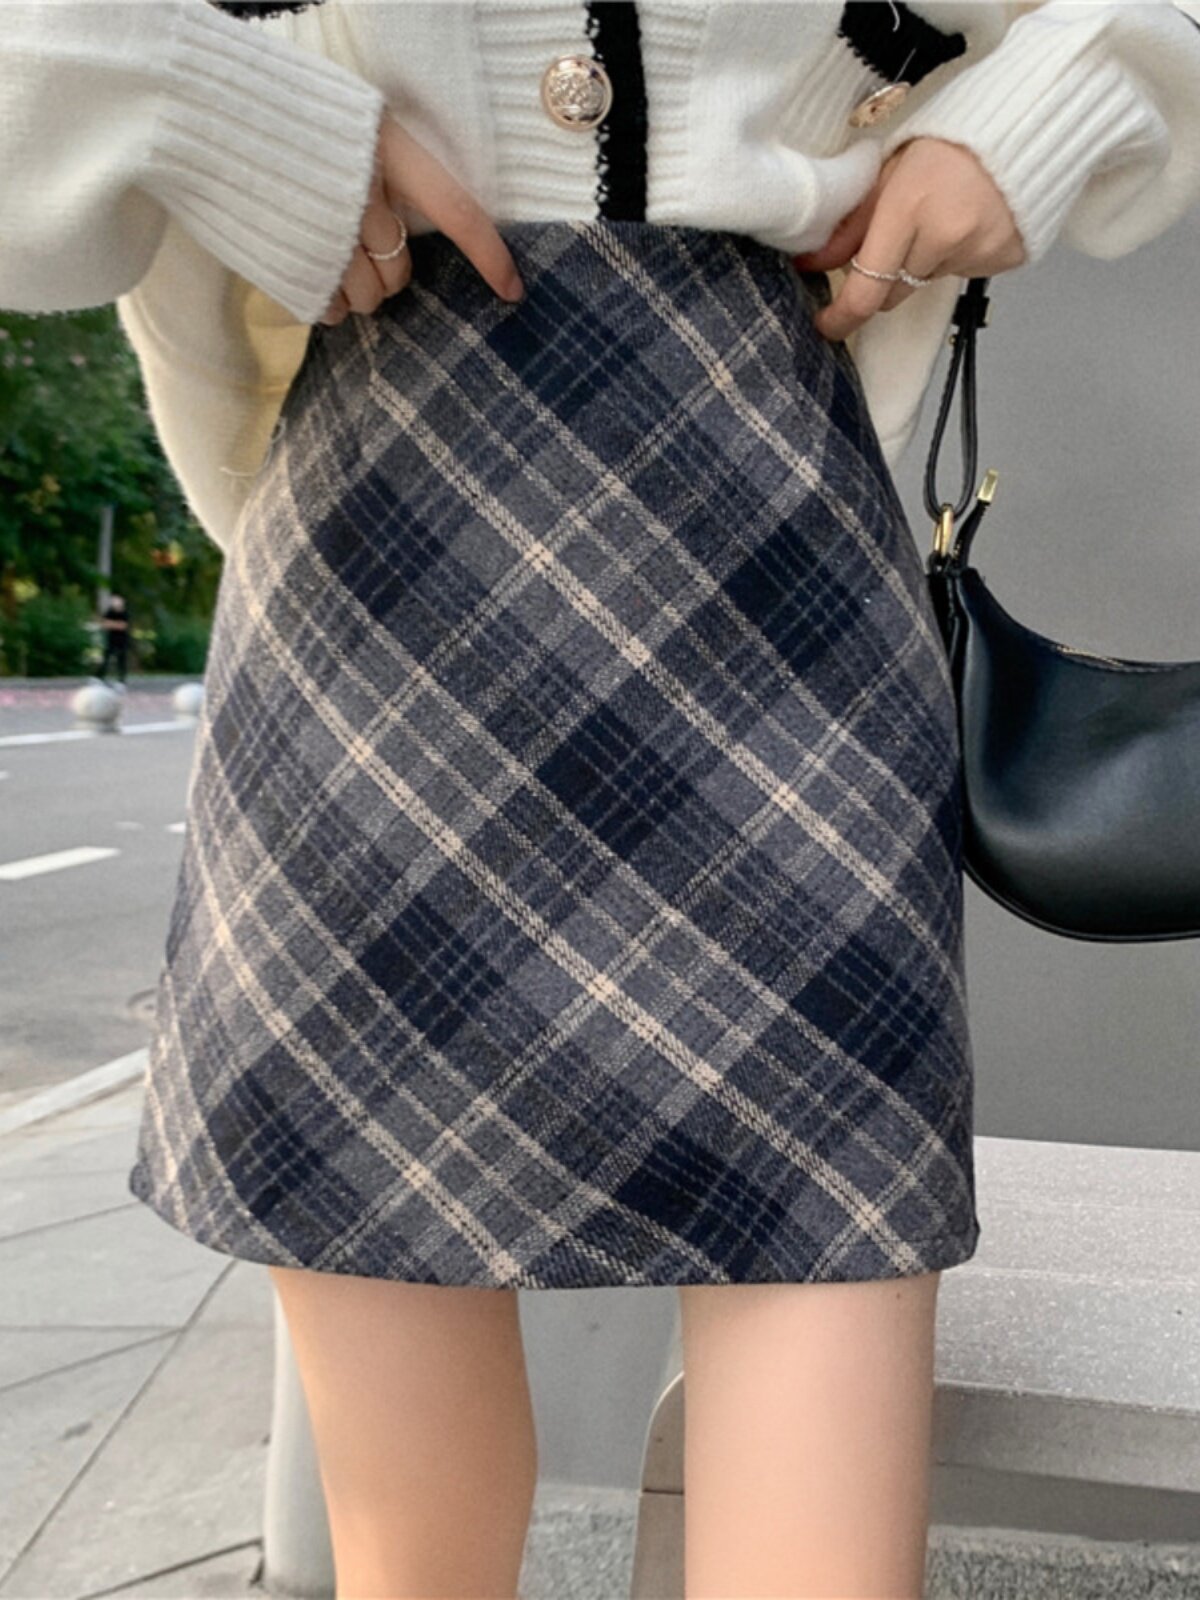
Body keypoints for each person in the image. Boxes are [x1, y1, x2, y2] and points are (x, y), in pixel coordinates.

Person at [4, 4, 1199, 1596]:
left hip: (774, 564)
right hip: (374, 581)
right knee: (408, 1551)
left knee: (827, 1338)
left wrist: (1045, 109)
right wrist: (215, 105)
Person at [96, 593, 131, 684]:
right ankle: (100, 677)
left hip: (122, 640)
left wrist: (111, 624)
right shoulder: (109, 612)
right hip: (111, 639)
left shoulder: (124, 613)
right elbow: (104, 624)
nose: (115, 602)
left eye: (117, 600)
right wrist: (116, 624)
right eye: (114, 600)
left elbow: (123, 626)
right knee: (106, 658)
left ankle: (122, 679)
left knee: (121, 659)